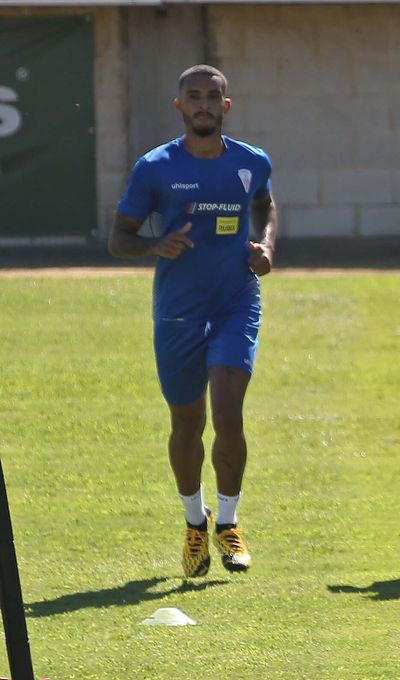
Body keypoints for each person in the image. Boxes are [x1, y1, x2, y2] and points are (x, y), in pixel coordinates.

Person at [109, 64, 275, 578]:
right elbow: (119, 237)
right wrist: (157, 244)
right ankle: (193, 525)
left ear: (227, 105)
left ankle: (228, 523)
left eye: (212, 97)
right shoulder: (155, 167)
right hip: (178, 309)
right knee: (188, 422)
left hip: (235, 301)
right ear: (179, 105)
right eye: (193, 96)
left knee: (227, 412)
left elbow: (266, 208)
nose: (203, 104)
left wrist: (265, 246)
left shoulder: (252, 162)